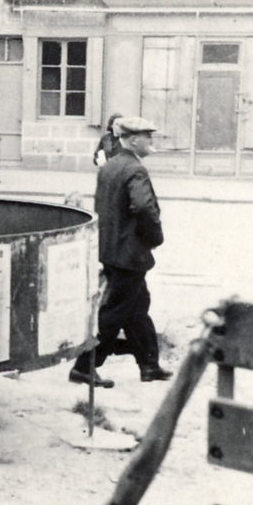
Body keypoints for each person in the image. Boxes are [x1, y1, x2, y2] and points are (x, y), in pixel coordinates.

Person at [69, 116, 172, 388]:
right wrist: (155, 238)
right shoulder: (135, 170)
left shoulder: (110, 166)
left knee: (137, 308)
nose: (151, 141)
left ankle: (149, 365)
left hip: (113, 251)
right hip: (130, 255)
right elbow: (143, 208)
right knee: (115, 313)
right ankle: (84, 367)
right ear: (133, 139)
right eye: (147, 136)